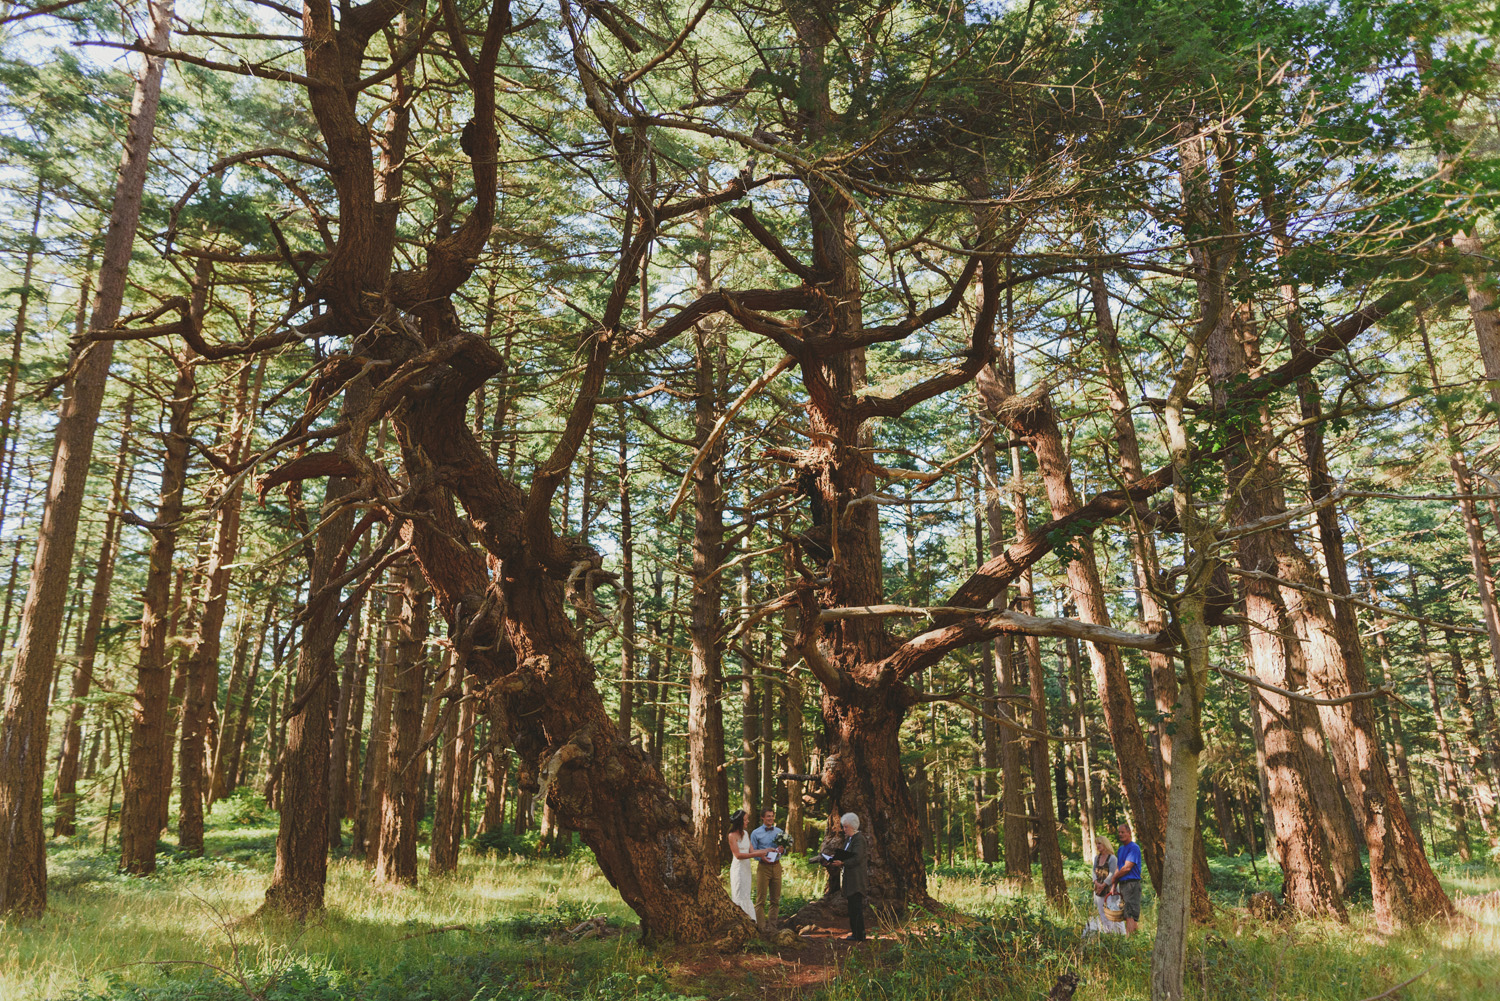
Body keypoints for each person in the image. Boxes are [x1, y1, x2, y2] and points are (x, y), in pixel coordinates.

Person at [828, 812, 869, 941]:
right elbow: (846, 854)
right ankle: (855, 933)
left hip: (856, 879)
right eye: (843, 827)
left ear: (853, 826)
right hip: (849, 878)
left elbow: (857, 857)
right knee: (851, 907)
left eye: (846, 827)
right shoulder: (849, 839)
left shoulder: (859, 839)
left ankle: (860, 934)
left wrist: (843, 862)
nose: (844, 830)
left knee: (856, 907)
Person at [748, 807, 784, 931]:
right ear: (762, 818)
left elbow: (782, 850)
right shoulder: (755, 833)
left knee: (775, 900)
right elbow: (752, 851)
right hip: (763, 868)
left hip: (777, 867)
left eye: (772, 816)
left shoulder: (779, 831)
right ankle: (762, 928)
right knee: (760, 900)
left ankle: (773, 928)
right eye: (768, 816)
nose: (770, 819)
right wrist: (761, 857)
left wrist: (782, 851)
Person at [725, 810, 764, 921]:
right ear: (739, 821)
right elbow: (737, 855)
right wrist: (759, 854)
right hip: (738, 869)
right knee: (739, 895)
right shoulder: (732, 836)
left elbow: (752, 851)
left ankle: (750, 921)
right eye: (745, 819)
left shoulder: (746, 834)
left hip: (746, 867)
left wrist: (768, 851)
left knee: (746, 894)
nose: (747, 821)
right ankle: (740, 920)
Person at [1107, 822, 1143, 935]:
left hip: (1132, 884)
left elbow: (1127, 868)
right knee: (1126, 912)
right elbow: (1119, 867)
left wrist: (1114, 878)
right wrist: (1114, 884)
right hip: (1123, 884)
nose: (1120, 834)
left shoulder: (1134, 848)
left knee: (1130, 913)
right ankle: (1132, 938)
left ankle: (1131, 939)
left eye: (1123, 832)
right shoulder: (1121, 849)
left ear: (1129, 833)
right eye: (1119, 832)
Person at [1090, 835, 1126, 935]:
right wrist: (1096, 882)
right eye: (1096, 844)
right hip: (1098, 891)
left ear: (1105, 844)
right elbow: (1093, 871)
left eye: (1099, 843)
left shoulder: (1112, 858)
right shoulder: (1097, 858)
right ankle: (1109, 934)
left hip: (1111, 891)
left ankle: (1121, 936)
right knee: (1102, 913)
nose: (1097, 846)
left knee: (1114, 914)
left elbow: (1113, 874)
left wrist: (1103, 884)